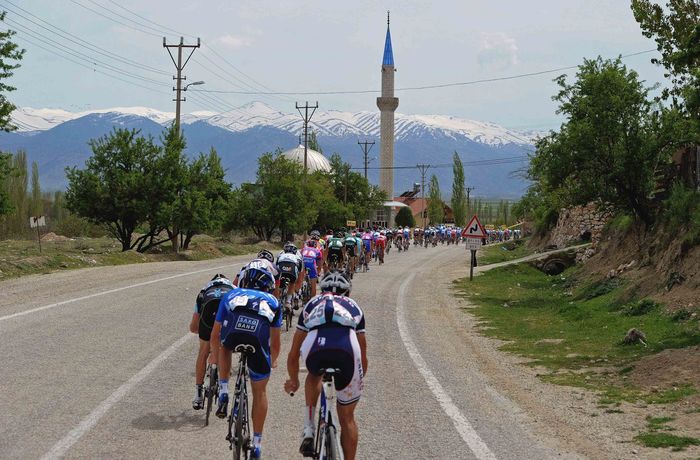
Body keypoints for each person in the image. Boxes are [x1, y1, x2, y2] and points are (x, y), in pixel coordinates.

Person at [285, 271, 367, 460]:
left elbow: (293, 353)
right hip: (348, 351)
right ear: (347, 292)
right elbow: (363, 354)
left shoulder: (312, 304)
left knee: (313, 374)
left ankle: (309, 427)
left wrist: (294, 380)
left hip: (316, 349)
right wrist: (357, 380)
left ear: (322, 290)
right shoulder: (354, 306)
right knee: (347, 418)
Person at [211, 267, 282, 459]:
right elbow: (275, 343)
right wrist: (272, 361)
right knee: (260, 392)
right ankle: (257, 444)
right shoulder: (274, 301)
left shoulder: (232, 293)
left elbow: (215, 333)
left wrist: (215, 357)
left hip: (233, 335)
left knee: (224, 347)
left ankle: (224, 390)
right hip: (257, 340)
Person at [189, 273, 235, 410]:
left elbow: (193, 327)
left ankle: (198, 394)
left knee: (203, 352)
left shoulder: (204, 291)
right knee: (225, 350)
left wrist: (203, 334)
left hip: (208, 318)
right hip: (226, 318)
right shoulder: (233, 289)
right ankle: (223, 389)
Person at [277, 242, 305, 309]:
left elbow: (276, 266)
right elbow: (301, 273)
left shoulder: (281, 253)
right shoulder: (298, 255)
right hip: (293, 267)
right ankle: (288, 302)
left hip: (281, 265)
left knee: (278, 282)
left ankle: (277, 298)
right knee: (292, 282)